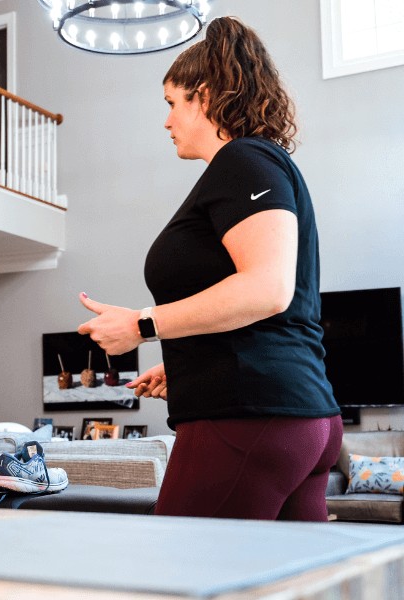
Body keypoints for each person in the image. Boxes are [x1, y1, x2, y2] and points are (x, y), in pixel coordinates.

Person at [77, 17, 342, 521]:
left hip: (253, 418)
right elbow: (261, 308)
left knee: (181, 581)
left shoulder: (243, 161)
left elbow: (267, 289)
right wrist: (188, 365)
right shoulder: (260, 163)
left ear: (204, 96)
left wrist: (141, 325)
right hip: (297, 418)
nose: (167, 121)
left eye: (171, 103)